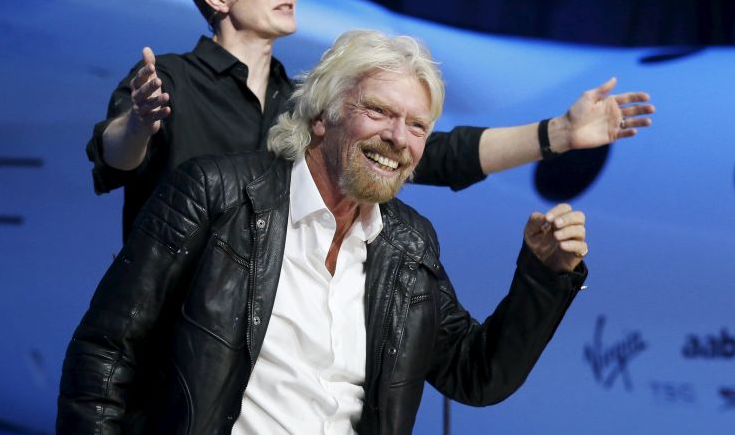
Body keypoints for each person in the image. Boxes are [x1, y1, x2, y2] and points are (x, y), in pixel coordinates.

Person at [59, 30, 589, 434]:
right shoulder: (214, 193)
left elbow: (476, 374)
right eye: (378, 112)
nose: (397, 139)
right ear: (321, 116)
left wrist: (543, 277)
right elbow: (105, 354)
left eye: (417, 126)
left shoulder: (408, 245)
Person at [86, 0, 654, 242]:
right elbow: (115, 158)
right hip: (169, 357)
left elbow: (438, 154)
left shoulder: (306, 102)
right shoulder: (169, 80)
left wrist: (557, 134)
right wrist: (139, 122)